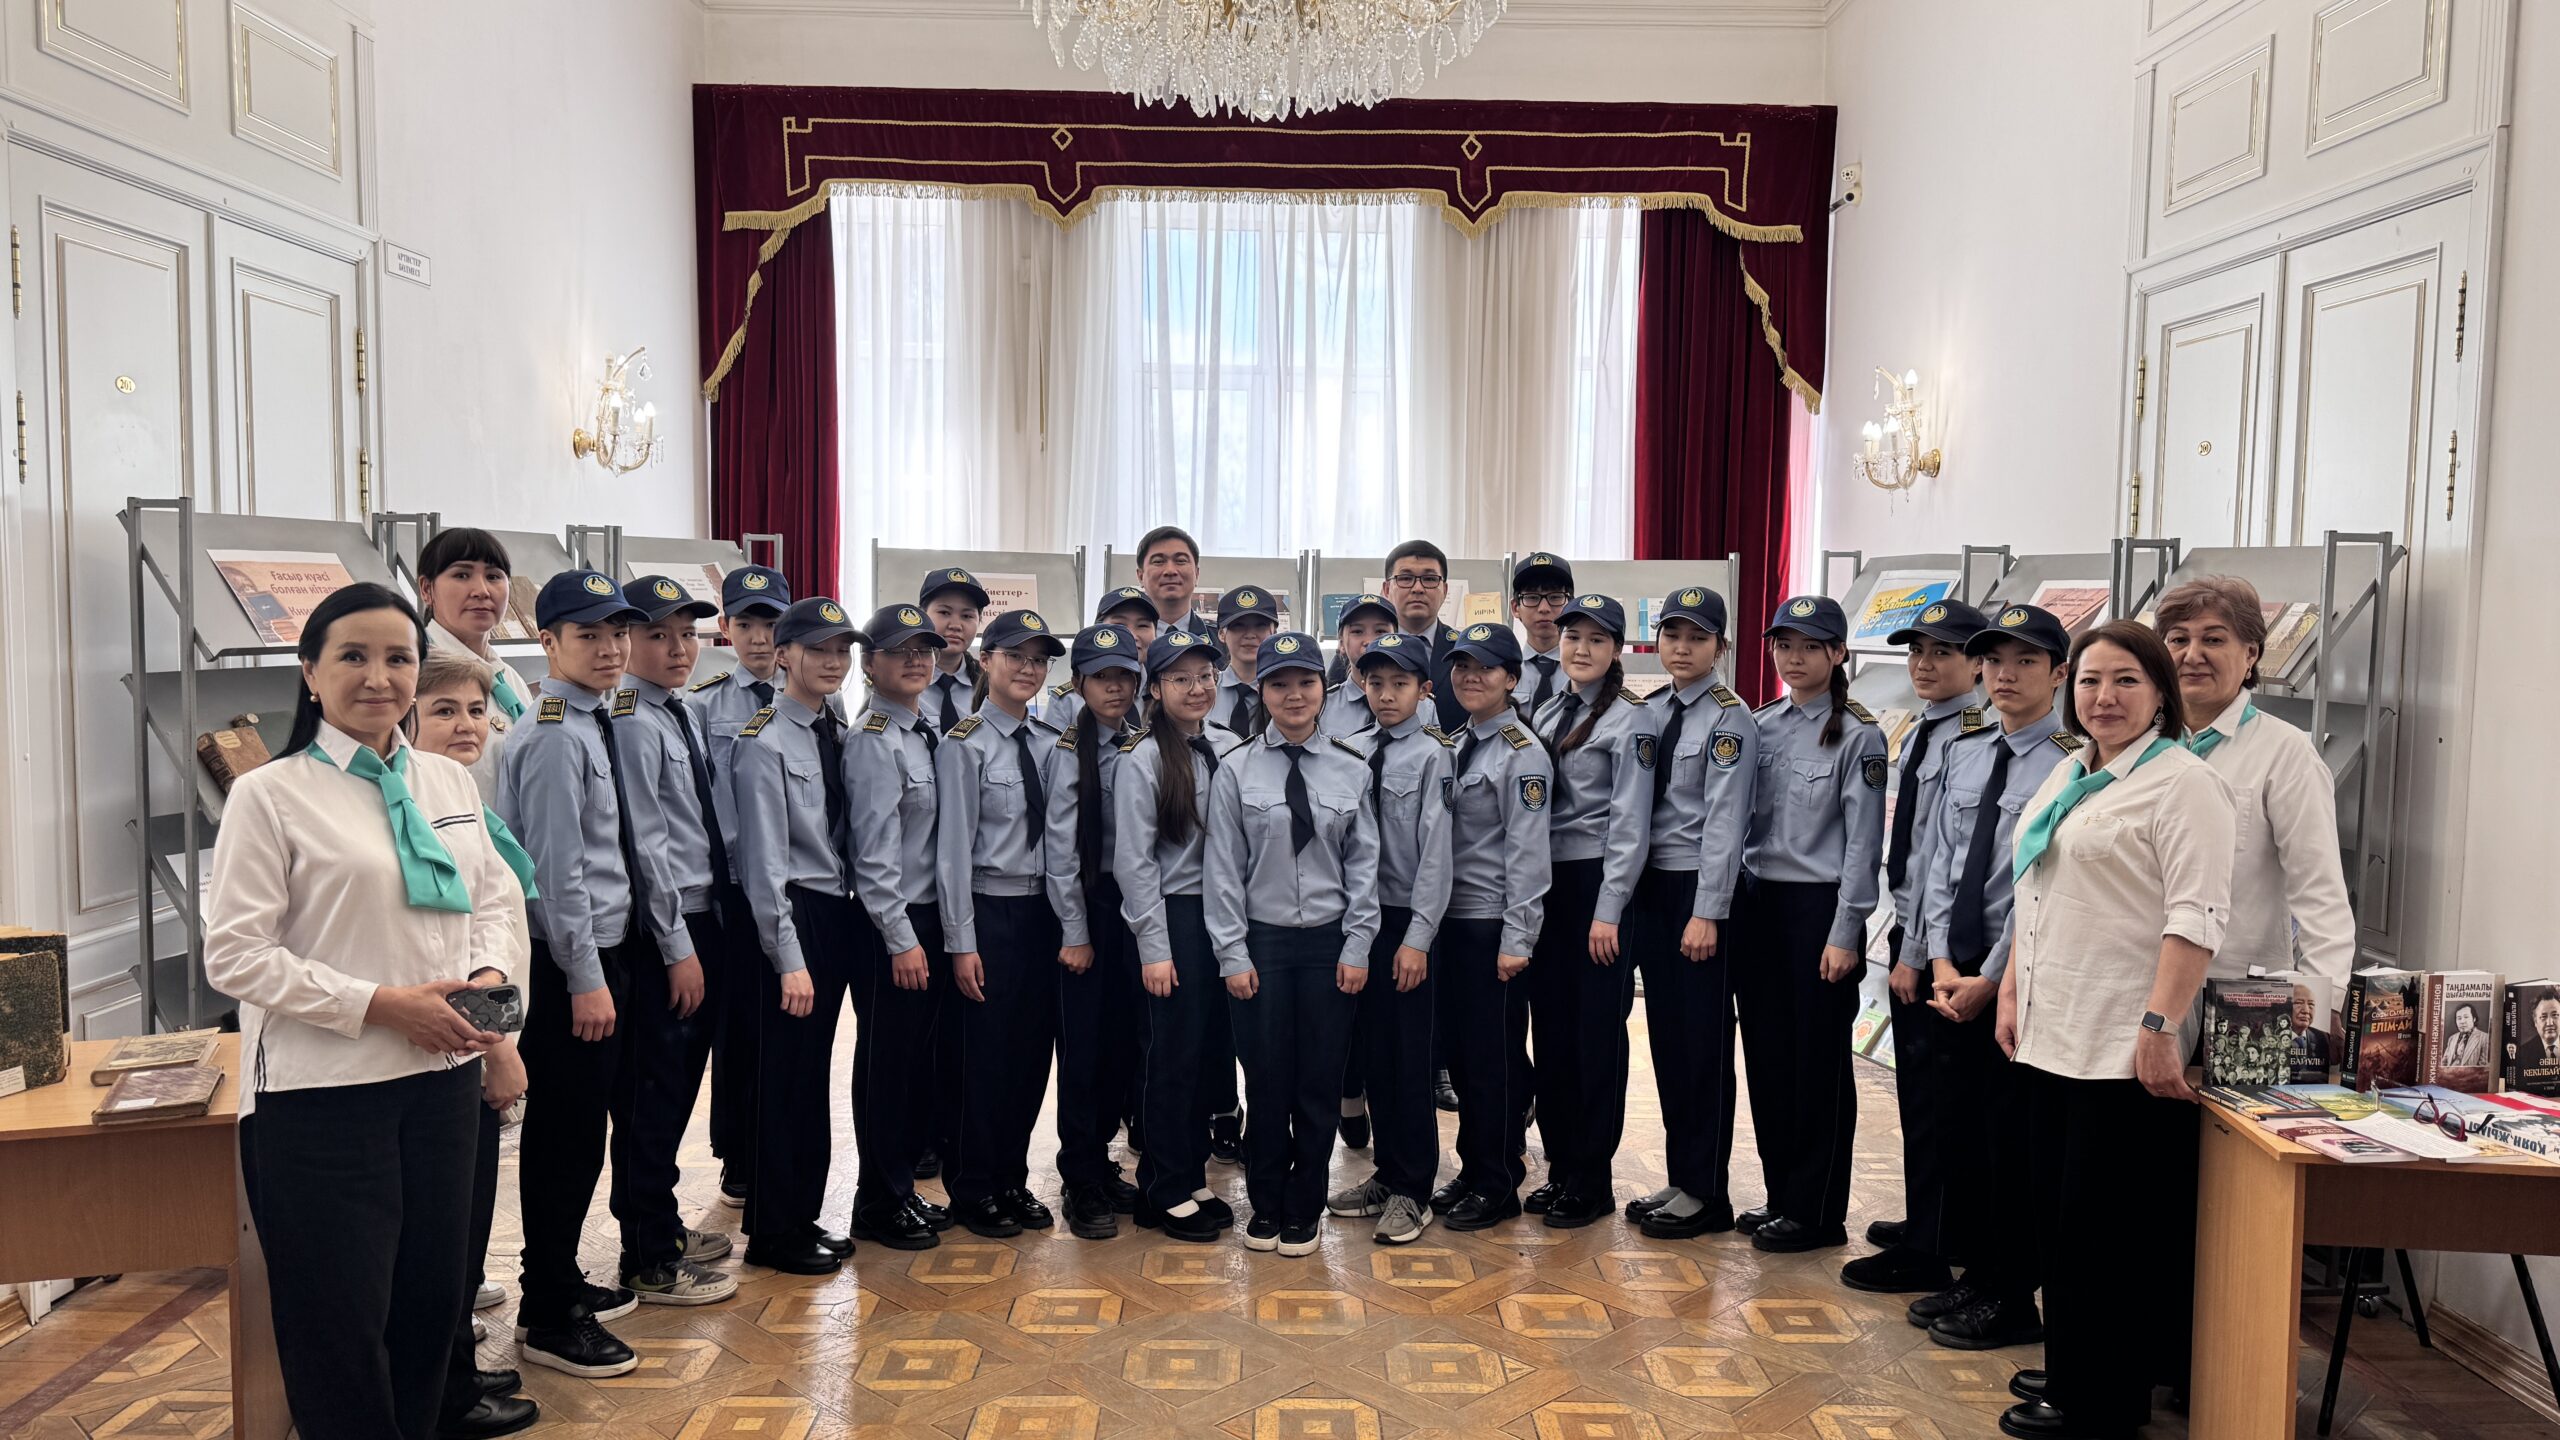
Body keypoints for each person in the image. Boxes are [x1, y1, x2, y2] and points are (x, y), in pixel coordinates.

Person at [205, 583, 529, 1440]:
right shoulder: (269, 795)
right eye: (353, 656)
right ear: (310, 672)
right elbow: (235, 954)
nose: (378, 677)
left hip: (442, 1086)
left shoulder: (444, 777)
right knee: (339, 1332)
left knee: (428, 1312)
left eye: (398, 658)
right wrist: (381, 1006)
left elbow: (494, 898)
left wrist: (489, 978)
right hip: (323, 1097)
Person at [1995, 620, 2233, 1440]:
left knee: (2109, 1235)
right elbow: (2036, 888)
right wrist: (2012, 990)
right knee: (2060, 1224)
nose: (2105, 697)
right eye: (2092, 681)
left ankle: (2104, 1403)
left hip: (2120, 1043)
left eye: (2127, 680)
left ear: (2160, 692)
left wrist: (2160, 1027)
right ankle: (2073, 1371)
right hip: (2052, 1033)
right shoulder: (2074, 771)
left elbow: (2196, 917)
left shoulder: (2183, 783)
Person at [499, 568, 739, 1375]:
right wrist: (584, 976)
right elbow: (557, 871)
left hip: (610, 947)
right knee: (564, 1136)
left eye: (613, 634)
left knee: (585, 1130)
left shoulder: (595, 720)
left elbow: (626, 849)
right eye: (588, 635)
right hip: (581, 957)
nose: (608, 649)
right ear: (549, 642)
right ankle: (548, 1308)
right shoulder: (554, 736)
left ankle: (561, 1283)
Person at [1908, 604, 2073, 1354]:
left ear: (2058, 674)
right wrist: (1942, 960)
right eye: (1996, 661)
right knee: (1958, 1131)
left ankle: (2012, 1292)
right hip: (1955, 969)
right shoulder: (1968, 750)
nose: (2006, 675)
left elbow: (2040, 883)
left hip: (2015, 978)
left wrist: (1991, 978)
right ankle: (1975, 1274)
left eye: (2026, 661)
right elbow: (1942, 861)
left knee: (2011, 1141)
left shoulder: (2070, 763)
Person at [1205, 632, 1382, 1254]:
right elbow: (1222, 871)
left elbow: (1364, 867)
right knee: (1266, 1077)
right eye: (1279, 684)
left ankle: (1305, 1205)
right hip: (1263, 945)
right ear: (1262, 692)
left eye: (1305, 682)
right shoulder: (1236, 769)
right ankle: (1266, 1203)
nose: (1294, 695)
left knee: (1319, 1079)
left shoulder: (1352, 768)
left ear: (1322, 690)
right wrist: (1232, 954)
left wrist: (1357, 946)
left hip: (1330, 944)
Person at [407, 649, 543, 1439]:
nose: (468, 726)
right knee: (445, 1236)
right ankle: (448, 1390)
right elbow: (445, 949)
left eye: (476, 710)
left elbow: (496, 916)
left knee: (465, 1224)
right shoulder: (417, 807)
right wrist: (497, 1048)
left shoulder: (459, 796)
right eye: (445, 711)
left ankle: (454, 1363)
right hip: (457, 1044)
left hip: (479, 1034)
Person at [1732, 595, 1886, 1255]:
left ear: (1838, 653)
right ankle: (1782, 1196)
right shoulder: (1762, 724)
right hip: (1759, 904)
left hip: (1818, 910)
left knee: (1817, 1064)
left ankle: (1818, 1212)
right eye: (1784, 645)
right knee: (1768, 1058)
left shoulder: (1859, 734)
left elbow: (1863, 843)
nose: (1793, 658)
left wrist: (1846, 930)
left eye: (1809, 646)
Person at [1850, 598, 1989, 1295]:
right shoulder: (1926, 729)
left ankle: (1932, 1245)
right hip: (1916, 927)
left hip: (1943, 944)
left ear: (1978, 664)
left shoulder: (1975, 738)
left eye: (1942, 652)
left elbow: (1943, 856)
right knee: (1922, 1095)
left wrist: (1913, 953)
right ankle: (1932, 1220)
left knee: (1940, 1100)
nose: (1924, 665)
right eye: (1916, 652)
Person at [729, 596, 864, 1277]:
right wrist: (788, 958)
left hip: (833, 912)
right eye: (818, 649)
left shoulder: (832, 726)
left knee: (811, 1078)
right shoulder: (762, 740)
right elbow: (762, 864)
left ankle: (799, 1214)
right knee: (783, 1080)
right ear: (783, 655)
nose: (833, 662)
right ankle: (774, 1233)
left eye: (842, 650)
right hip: (793, 916)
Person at [613, 577, 742, 1265]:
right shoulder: (633, 720)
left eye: (687, 634)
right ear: (626, 640)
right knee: (654, 1087)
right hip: (672, 926)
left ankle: (659, 1221)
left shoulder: (680, 711)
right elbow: (648, 846)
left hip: (703, 915)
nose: (678, 649)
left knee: (679, 1081)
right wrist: (676, 948)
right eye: (658, 635)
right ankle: (647, 1247)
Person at [1624, 587, 1758, 1241]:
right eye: (1673, 635)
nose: (1682, 648)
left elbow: (1725, 824)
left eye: (1698, 638)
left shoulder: (1731, 720)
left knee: (1702, 1044)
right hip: (1653, 888)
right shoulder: (1651, 710)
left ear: (1720, 648)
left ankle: (1708, 1192)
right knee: (1670, 1042)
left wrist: (1708, 911)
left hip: (1698, 893)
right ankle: (1683, 1177)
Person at [937, 609, 1073, 1238]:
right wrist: (961, 942)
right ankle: (973, 1186)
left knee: (1030, 1054)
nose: (1027, 668)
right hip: (989, 910)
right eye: (1015, 656)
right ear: (985, 660)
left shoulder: (1050, 743)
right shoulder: (963, 745)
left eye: (1038, 660)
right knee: (983, 1057)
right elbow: (953, 852)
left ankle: (1012, 1178)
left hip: (1042, 912)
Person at [1523, 595, 1658, 1228]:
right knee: (1551, 1032)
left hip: (1596, 887)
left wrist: (1610, 908)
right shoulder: (1549, 709)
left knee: (1595, 1035)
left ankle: (1592, 1177)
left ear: (1617, 650)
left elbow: (1631, 823)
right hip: (1547, 884)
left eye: (1597, 640)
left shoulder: (1633, 720)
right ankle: (1560, 1165)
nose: (1581, 649)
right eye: (1573, 636)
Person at [2154, 577, 2356, 989]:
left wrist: (2325, 999)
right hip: (2136, 984)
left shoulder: (2285, 752)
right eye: (2178, 640)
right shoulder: (2136, 745)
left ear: (2251, 654)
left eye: (2213, 640)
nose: (2192, 655)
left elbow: (2319, 890)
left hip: (2236, 994)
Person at [1323, 633, 1456, 1244]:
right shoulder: (1350, 750)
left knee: (1410, 1059)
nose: (1385, 695)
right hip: (1360, 920)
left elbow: (1436, 854)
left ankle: (1413, 1188)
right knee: (1374, 1052)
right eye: (1375, 683)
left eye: (1399, 684)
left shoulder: (1434, 756)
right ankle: (1387, 1171)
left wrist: (1419, 938)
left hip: (1406, 922)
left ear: (1424, 690)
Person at [838, 603, 957, 1252]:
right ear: (869, 663)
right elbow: (873, 855)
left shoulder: (922, 728)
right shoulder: (874, 739)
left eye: (924, 650)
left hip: (927, 917)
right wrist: (900, 937)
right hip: (894, 924)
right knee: (886, 1066)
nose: (916, 660)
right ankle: (878, 1202)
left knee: (914, 1065)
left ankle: (902, 1188)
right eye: (900, 650)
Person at [1118, 630, 1243, 1242]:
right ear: (1156, 688)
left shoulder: (1229, 745)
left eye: (1205, 676)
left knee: (1207, 1055)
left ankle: (1191, 1174)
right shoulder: (1141, 757)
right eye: (1180, 678)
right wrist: (1155, 948)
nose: (1196, 688)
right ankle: (1161, 1188)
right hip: (1174, 916)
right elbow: (1134, 862)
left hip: (1225, 915)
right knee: (1169, 1056)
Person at [1431, 622, 1554, 1231]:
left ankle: (1499, 1179)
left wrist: (1517, 939)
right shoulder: (1456, 743)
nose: (1470, 677)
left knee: (1494, 1060)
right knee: (1461, 1058)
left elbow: (1528, 855)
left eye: (1485, 668)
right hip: (1450, 923)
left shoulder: (1522, 753)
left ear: (1512, 678)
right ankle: (1474, 1165)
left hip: (1491, 926)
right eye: (1461, 667)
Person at [1043, 623, 1150, 1240]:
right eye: (1102, 677)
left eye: (1124, 676)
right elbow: (1060, 852)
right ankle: (1080, 1175)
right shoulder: (1067, 750)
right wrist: (1075, 932)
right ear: (1079, 683)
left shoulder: (1144, 743)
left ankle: (1103, 1162)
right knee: (1083, 1047)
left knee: (1122, 1044)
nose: (1115, 687)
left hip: (1136, 908)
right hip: (1089, 908)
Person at [696, 562, 792, 1209]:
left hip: (792, 882)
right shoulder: (704, 703)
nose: (760, 638)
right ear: (726, 627)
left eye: (772, 624)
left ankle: (775, 1145)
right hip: (732, 883)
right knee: (737, 1023)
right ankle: (736, 1152)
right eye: (747, 623)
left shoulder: (813, 695)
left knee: (785, 1021)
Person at [416, 527, 538, 800]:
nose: (482, 591)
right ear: (426, 589)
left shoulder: (508, 679)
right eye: (462, 575)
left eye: (493, 576)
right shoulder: (417, 675)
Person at [1044, 588, 1161, 728]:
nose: (1131, 636)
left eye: (1142, 625)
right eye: (1119, 625)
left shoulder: (1167, 690)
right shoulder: (1067, 701)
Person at [1382, 539, 1467, 731]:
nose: (1418, 588)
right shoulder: (1364, 649)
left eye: (1429, 579)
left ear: (1444, 590)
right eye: (1405, 578)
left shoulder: (1465, 650)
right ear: (1386, 589)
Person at [922, 566, 991, 733]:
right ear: (922, 615)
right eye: (944, 612)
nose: (955, 625)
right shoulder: (902, 679)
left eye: (967, 616)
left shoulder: (990, 684)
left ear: (979, 621)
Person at [1321, 593, 1396, 738]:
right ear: (1341, 644)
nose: (1369, 641)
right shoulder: (1322, 707)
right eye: (1357, 631)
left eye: (1381, 631)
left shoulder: (1421, 704)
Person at [1212, 587, 1282, 740]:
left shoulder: (1285, 694)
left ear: (1274, 632)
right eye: (1238, 626)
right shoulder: (1206, 692)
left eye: (1260, 625)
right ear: (1222, 634)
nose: (1250, 635)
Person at [1510, 553, 1574, 714]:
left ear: (1571, 605)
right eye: (1532, 597)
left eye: (1555, 597)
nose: (1544, 608)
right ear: (1515, 608)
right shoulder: (1503, 671)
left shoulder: (1584, 670)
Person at [1137, 525, 1213, 639]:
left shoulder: (1222, 641)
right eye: (1158, 561)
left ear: (1197, 574)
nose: (1170, 571)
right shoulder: (1123, 640)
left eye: (1181, 561)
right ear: (1140, 576)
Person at [2443, 1003, 2492, 1069]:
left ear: (2474, 1019)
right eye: (2459, 1018)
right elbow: (2444, 1063)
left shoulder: (2485, 1038)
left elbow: (2482, 1069)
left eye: (2466, 1017)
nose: (2462, 1021)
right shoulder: (2452, 1038)